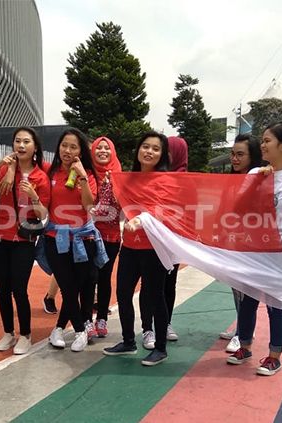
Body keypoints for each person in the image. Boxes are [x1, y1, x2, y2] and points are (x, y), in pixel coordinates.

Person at [226, 122, 282, 376]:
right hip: (255, 249)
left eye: (268, 141)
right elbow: (236, 207)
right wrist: (255, 182)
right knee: (248, 301)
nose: (262, 145)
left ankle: (274, 356)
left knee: (276, 305)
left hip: (281, 250)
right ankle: (245, 346)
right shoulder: (256, 175)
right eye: (261, 140)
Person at [103, 131, 171, 366]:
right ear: (138, 150)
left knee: (155, 297)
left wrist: (140, 220)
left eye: (155, 148)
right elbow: (117, 203)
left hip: (154, 249)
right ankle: (128, 341)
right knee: (122, 294)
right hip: (130, 247)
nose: (149, 151)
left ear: (162, 155)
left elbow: (161, 211)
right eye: (145, 146)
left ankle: (160, 348)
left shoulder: (164, 181)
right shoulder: (128, 178)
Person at [0, 127, 50, 355]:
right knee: (2, 289)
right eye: (17, 141)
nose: (21, 146)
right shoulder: (4, 169)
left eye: (26, 142)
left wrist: (33, 195)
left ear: (35, 148)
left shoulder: (40, 176)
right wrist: (0, 167)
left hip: (23, 240)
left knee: (19, 289)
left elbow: (42, 214)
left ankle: (26, 335)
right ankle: (8, 333)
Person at [44, 128, 106, 352]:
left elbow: (90, 206)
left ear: (81, 151)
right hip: (55, 239)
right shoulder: (50, 172)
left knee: (77, 286)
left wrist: (81, 177)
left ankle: (58, 329)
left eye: (73, 146)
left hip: (83, 239)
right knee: (68, 287)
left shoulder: (87, 174)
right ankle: (80, 330)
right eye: (64, 145)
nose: (67, 150)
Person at [139, 135, 186, 349]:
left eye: (165, 152)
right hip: (146, 242)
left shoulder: (181, 181)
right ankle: (148, 327)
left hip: (171, 241)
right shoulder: (149, 177)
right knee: (150, 286)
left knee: (168, 283)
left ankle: (165, 323)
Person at [220, 133, 264, 353]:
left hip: (251, 245)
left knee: (247, 292)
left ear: (252, 156)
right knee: (236, 288)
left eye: (240, 154)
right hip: (232, 242)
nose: (235, 159)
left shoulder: (259, 179)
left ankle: (243, 333)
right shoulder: (232, 180)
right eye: (233, 154)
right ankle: (242, 326)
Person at [88, 136, 123, 338]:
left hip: (110, 236)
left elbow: (121, 207)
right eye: (98, 148)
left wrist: (112, 187)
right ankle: (87, 320)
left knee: (104, 278)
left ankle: (101, 318)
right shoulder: (88, 173)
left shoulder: (118, 174)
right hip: (88, 235)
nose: (102, 151)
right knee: (88, 277)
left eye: (106, 148)